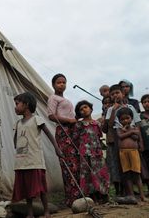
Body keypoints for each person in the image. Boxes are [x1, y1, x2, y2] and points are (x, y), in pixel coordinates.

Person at [12, 92, 63, 218]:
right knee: (27, 189)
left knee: (40, 188)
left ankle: (46, 210)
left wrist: (57, 148)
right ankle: (30, 212)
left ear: (26, 105)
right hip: (21, 161)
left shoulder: (36, 119)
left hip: (35, 160)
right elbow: (15, 141)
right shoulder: (18, 124)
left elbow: (49, 134)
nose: (15, 107)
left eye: (17, 104)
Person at [103, 84, 141, 197]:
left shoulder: (130, 107)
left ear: (122, 93)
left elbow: (137, 123)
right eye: (113, 94)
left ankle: (136, 191)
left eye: (117, 93)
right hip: (118, 136)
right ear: (110, 96)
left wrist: (139, 140)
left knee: (135, 166)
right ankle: (126, 191)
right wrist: (114, 109)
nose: (115, 95)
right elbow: (109, 125)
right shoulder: (110, 109)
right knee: (121, 164)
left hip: (133, 136)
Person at [47, 73, 78, 206]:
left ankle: (77, 194)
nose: (62, 85)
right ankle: (71, 198)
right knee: (68, 164)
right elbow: (51, 116)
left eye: (64, 82)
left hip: (71, 131)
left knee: (75, 163)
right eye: (59, 82)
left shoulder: (65, 99)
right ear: (53, 84)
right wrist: (69, 120)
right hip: (63, 131)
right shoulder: (53, 98)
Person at [73, 100, 110, 204]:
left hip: (97, 153)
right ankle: (92, 196)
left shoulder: (97, 123)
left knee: (100, 173)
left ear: (91, 108)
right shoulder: (79, 124)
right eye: (81, 109)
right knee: (88, 174)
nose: (83, 110)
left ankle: (103, 194)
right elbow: (75, 138)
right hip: (85, 154)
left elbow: (99, 137)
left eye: (85, 107)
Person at [116, 107, 145, 202]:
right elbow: (120, 136)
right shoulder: (119, 129)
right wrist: (130, 132)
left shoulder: (135, 128)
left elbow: (136, 137)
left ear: (131, 118)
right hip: (123, 153)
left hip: (133, 151)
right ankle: (131, 194)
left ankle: (142, 195)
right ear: (119, 120)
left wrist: (129, 131)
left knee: (137, 173)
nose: (125, 120)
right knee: (127, 174)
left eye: (127, 118)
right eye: (122, 119)